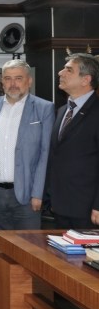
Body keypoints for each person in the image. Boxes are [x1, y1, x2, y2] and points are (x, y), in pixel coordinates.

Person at [0, 60, 54, 231]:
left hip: (27, 195)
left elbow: (45, 154)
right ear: (2, 82)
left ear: (29, 81)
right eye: (8, 78)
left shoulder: (44, 108)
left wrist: (38, 193)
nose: (13, 84)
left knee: (28, 245)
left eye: (18, 78)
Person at [47, 53, 99, 228]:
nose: (60, 73)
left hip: (88, 209)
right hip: (60, 206)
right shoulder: (62, 110)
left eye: (69, 70)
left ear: (86, 80)